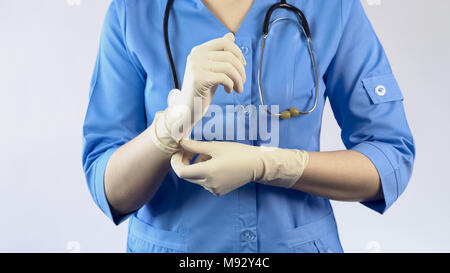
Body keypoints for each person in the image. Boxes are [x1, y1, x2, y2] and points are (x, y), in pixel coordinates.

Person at [82, 0, 415, 253]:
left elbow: (390, 160)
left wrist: (270, 165)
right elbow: (110, 190)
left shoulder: (330, 7)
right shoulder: (134, 10)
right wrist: (172, 123)